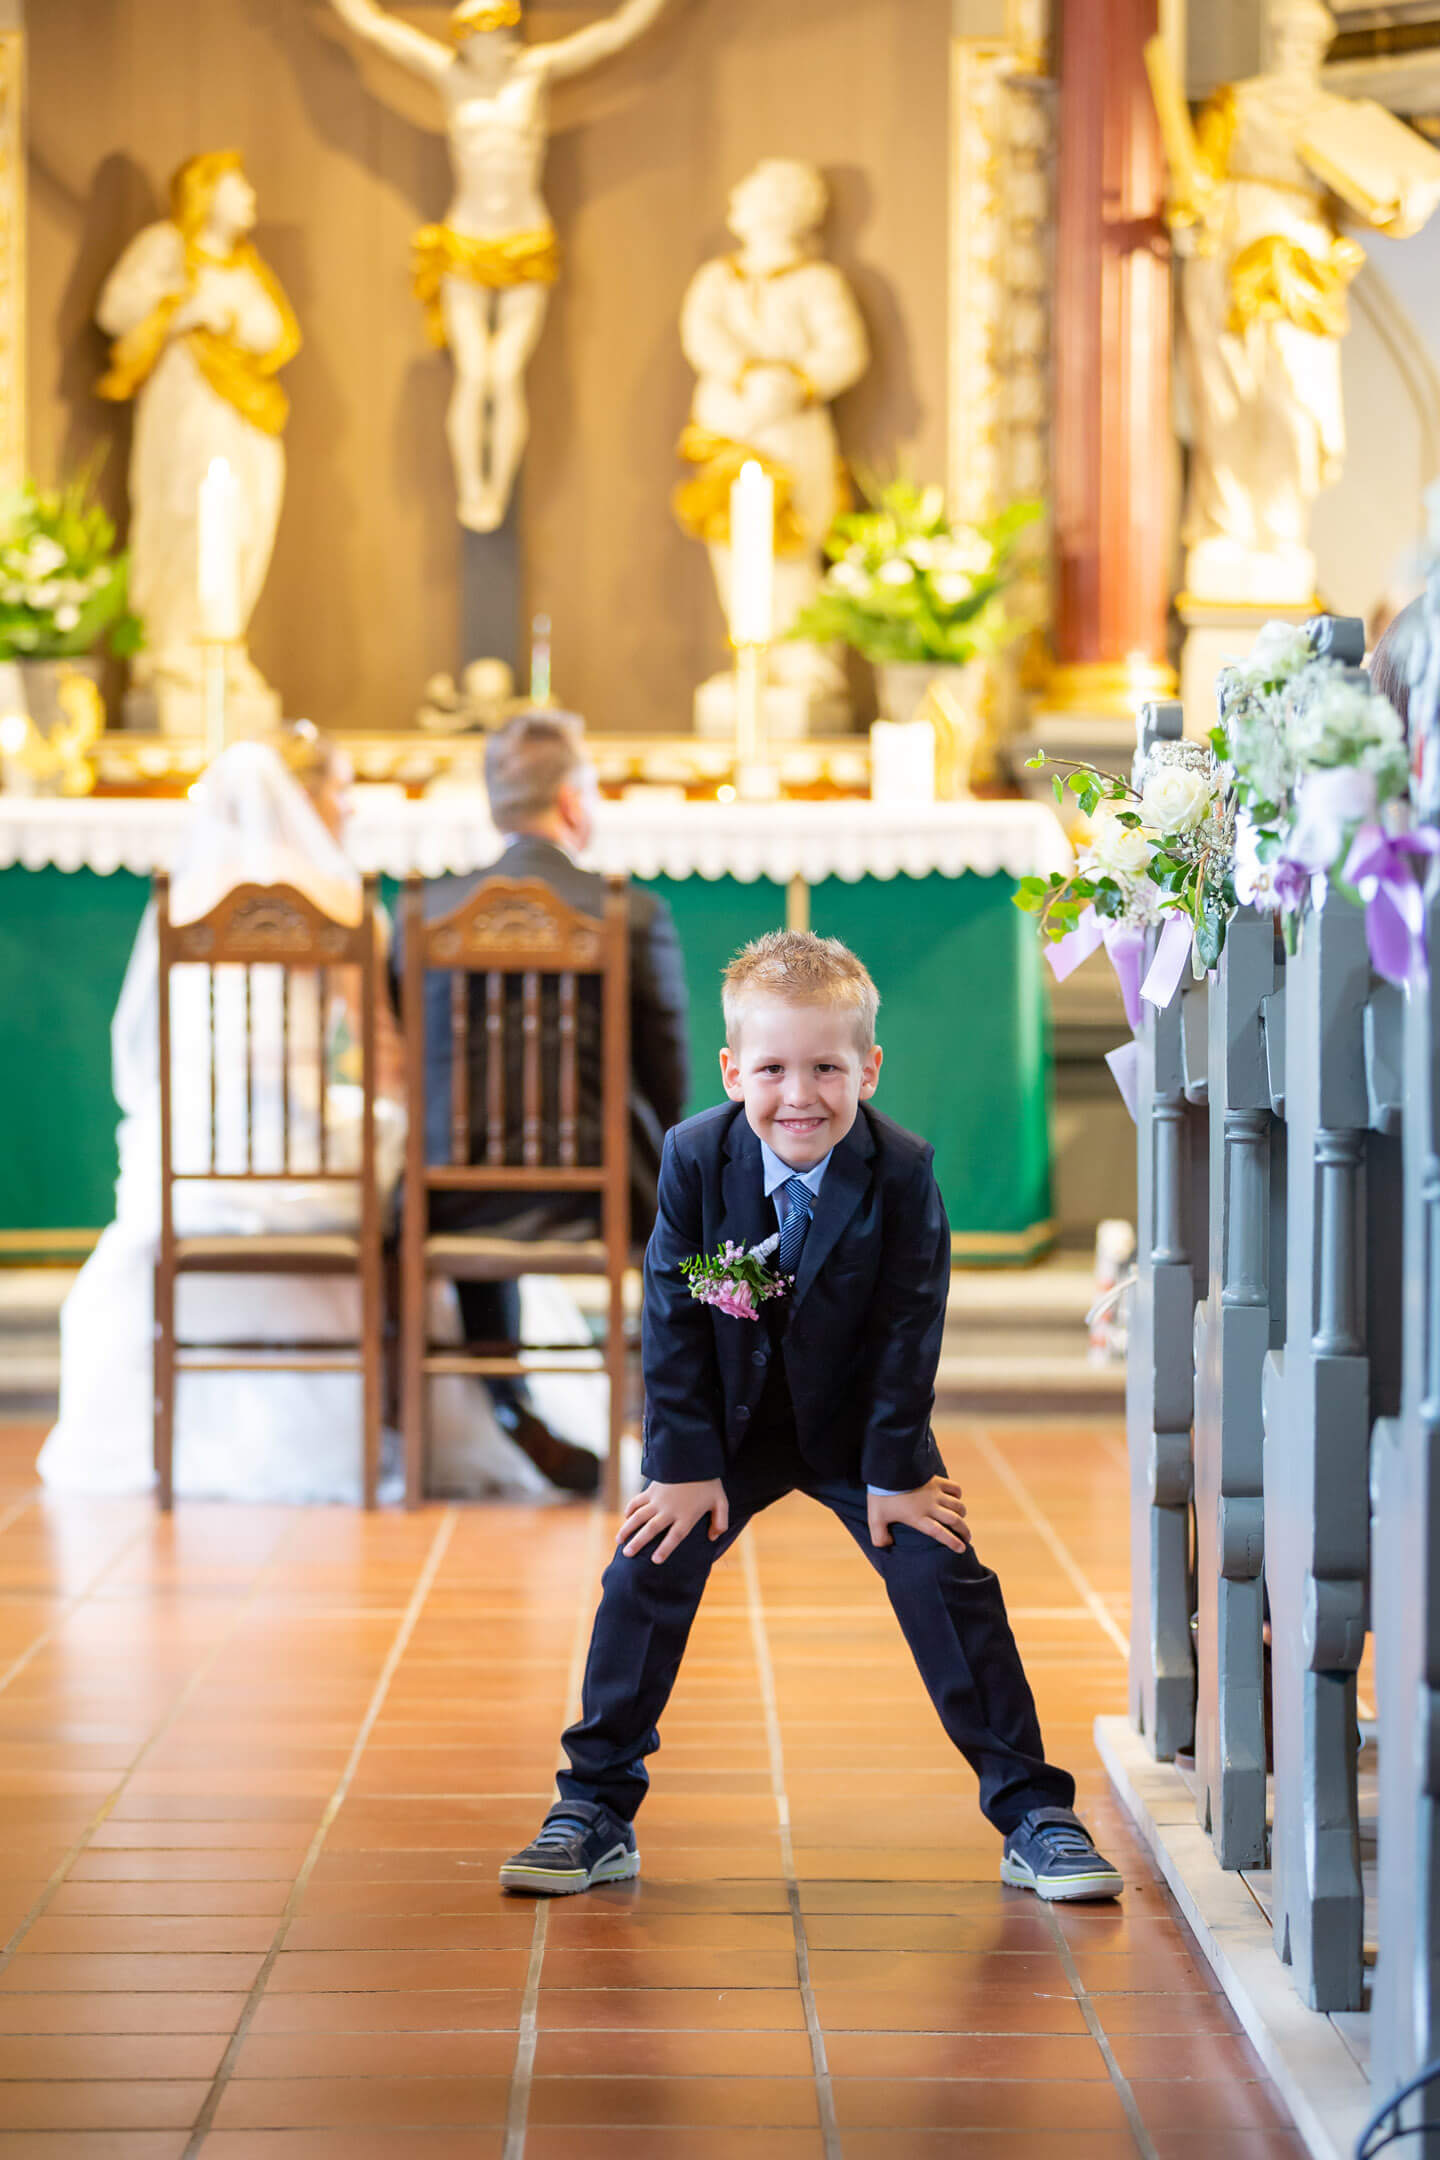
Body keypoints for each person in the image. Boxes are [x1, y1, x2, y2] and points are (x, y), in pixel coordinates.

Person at [499, 931, 1123, 1902]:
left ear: (868, 1070)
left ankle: (1033, 1811)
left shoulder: (902, 1171)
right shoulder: (694, 1158)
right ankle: (594, 1807)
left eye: (827, 1069)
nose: (801, 1095)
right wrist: (682, 1464)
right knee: (643, 1570)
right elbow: (674, 1309)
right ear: (732, 1071)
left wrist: (895, 1473)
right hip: (726, 1429)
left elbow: (910, 1326)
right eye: (774, 1070)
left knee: (946, 1573)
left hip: (859, 1427)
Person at [38, 730, 552, 1505]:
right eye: (342, 789)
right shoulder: (342, 900)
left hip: (195, 1166)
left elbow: (150, 1059)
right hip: (306, 1171)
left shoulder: (187, 897)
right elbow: (386, 1062)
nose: (350, 807)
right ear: (304, 796)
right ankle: (415, 1404)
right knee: (412, 1165)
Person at [404, 710, 690, 1491]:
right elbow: (667, 1077)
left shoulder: (424, 912)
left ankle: (508, 1408)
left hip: (453, 1194)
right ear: (571, 800)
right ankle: (670, 1427)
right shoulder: (631, 913)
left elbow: (415, 1054)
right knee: (689, 1189)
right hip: (602, 1195)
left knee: (441, 1162)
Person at [321, 0, 673, 532]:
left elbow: (616, 32)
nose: (494, 44)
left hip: (525, 240)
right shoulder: (450, 77)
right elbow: (374, 27)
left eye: (501, 32)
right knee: (474, 372)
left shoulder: (535, 71)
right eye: (481, 34)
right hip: (467, 240)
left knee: (505, 374)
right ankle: (472, 489)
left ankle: (497, 488)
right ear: (465, 39)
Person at [96, 151, 300, 734]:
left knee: (244, 524)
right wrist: (183, 308)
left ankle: (223, 647)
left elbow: (275, 333)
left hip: (243, 409)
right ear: (205, 192)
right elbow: (116, 311)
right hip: (188, 401)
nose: (251, 196)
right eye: (240, 186)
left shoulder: (244, 264)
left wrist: (229, 319)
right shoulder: (165, 246)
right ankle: (174, 652)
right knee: (187, 515)